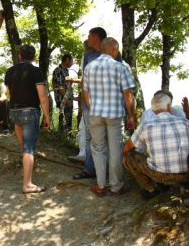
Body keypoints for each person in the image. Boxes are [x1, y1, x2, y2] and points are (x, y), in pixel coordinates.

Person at [83, 37, 136, 196]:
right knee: (115, 150)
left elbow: (85, 93)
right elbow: (127, 94)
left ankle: (100, 185)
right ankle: (116, 186)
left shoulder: (89, 67)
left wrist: (93, 108)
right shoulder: (120, 67)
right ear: (114, 49)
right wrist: (131, 115)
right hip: (114, 114)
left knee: (98, 149)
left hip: (96, 114)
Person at [73, 27, 122, 180]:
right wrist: (83, 102)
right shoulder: (88, 55)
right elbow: (84, 82)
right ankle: (89, 169)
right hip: (90, 105)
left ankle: (109, 173)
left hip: (109, 104)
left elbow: (119, 78)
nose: (87, 38)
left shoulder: (113, 53)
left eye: (89, 35)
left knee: (109, 139)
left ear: (96, 37)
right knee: (89, 137)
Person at [123, 91, 189, 199]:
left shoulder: (146, 125)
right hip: (186, 173)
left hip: (159, 175)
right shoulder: (184, 122)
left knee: (129, 155)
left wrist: (124, 157)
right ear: (169, 106)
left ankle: (151, 190)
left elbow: (127, 147)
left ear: (153, 109)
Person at [5, 44, 50, 194]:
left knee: (23, 148)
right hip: (30, 112)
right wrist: (47, 116)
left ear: (19, 56)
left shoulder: (10, 72)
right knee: (29, 149)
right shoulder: (36, 71)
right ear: (34, 57)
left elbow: (8, 94)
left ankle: (27, 174)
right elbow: (42, 96)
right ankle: (27, 185)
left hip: (14, 112)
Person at [52, 53, 74, 133]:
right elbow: (59, 86)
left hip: (67, 100)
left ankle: (67, 138)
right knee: (64, 121)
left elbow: (66, 87)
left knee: (68, 121)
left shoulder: (65, 71)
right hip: (63, 100)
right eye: (72, 61)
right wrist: (66, 100)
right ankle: (61, 139)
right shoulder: (58, 70)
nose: (72, 63)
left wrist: (73, 98)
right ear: (67, 60)